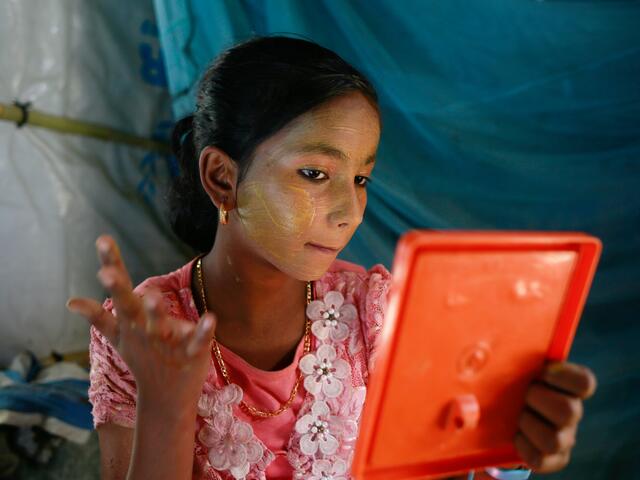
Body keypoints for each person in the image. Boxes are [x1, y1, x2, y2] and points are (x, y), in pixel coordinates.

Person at [66, 36, 597, 480]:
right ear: (222, 178)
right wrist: (165, 403)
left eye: (361, 178)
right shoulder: (143, 331)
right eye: (315, 173)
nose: (350, 211)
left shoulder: (375, 314)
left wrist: (505, 449)